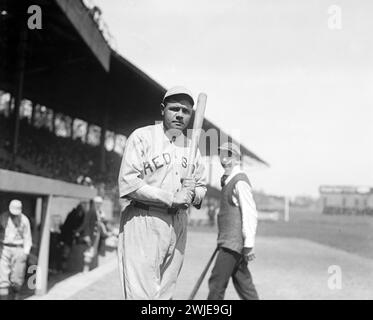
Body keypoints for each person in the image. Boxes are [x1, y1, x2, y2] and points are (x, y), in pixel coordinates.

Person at [118, 86, 207, 300]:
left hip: (178, 223)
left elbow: (202, 187)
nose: (179, 115)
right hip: (145, 218)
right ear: (162, 109)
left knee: (165, 295)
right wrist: (170, 197)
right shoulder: (142, 137)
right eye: (174, 109)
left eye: (185, 111)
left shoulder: (191, 147)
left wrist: (193, 192)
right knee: (141, 296)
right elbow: (128, 183)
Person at [207, 142, 259, 300]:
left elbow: (250, 213)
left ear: (237, 159)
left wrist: (249, 244)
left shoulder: (240, 181)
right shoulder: (228, 180)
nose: (224, 158)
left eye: (229, 154)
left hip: (232, 245)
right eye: (221, 154)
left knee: (216, 284)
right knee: (245, 286)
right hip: (229, 243)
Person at [0, 200, 32, 300]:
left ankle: (16, 296)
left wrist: (26, 252)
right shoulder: (3, 217)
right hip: (4, 248)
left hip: (18, 249)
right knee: (2, 277)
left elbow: (27, 237)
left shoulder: (24, 220)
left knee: (17, 278)